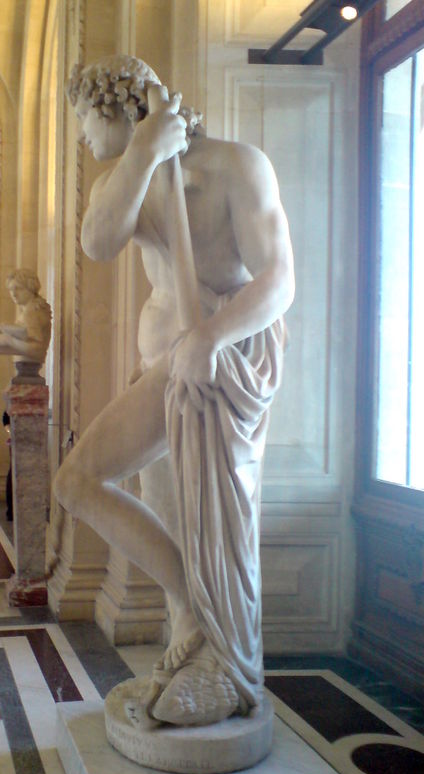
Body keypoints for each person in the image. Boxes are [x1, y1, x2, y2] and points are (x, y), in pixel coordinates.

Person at [53, 56, 294, 727]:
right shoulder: (128, 178)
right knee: (173, 525)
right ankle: (203, 636)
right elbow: (97, 242)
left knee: (97, 487)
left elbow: (279, 280)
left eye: (85, 118)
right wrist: (145, 152)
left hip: (213, 365)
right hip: (162, 365)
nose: (83, 136)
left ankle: (220, 653)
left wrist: (210, 337)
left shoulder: (237, 165)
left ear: (116, 105)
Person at [0, 269, 52, 364]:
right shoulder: (30, 309)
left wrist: (8, 340)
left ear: (31, 288)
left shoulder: (31, 312)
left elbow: (37, 349)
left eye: (18, 288)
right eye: (11, 289)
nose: (14, 294)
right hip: (25, 363)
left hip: (29, 364)